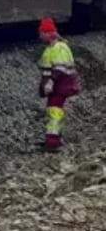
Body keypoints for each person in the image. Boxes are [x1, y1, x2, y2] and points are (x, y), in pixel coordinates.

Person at [37, 17, 81, 152]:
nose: (39, 36)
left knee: (54, 111)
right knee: (55, 110)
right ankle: (54, 138)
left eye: (41, 33)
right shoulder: (55, 47)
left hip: (60, 87)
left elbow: (59, 69)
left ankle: (52, 141)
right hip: (59, 87)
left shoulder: (58, 48)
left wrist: (50, 82)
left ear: (47, 33)